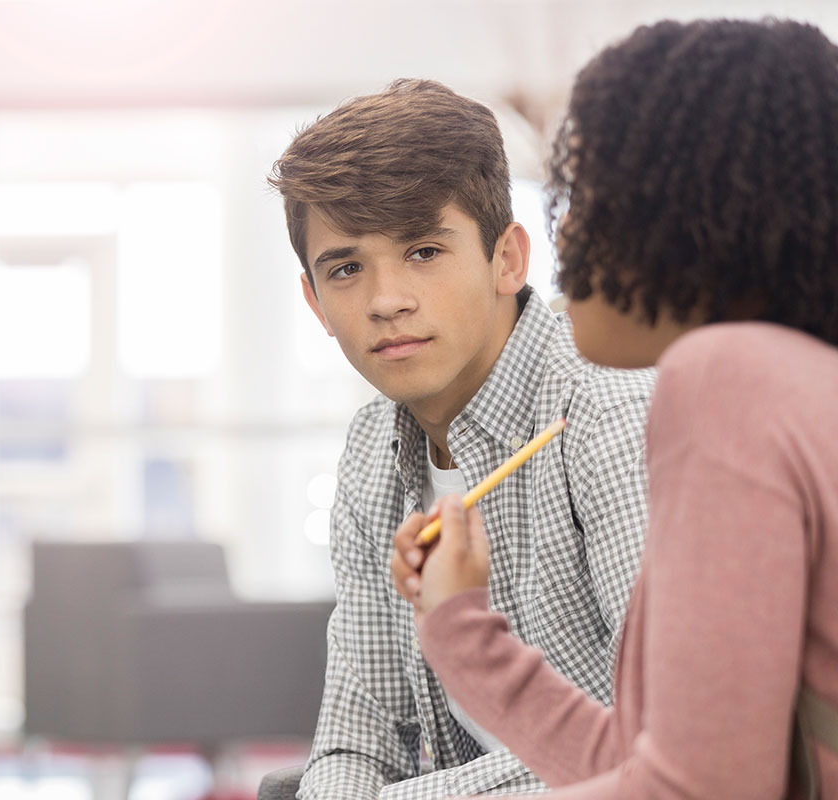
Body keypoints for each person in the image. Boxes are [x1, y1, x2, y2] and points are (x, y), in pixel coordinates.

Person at [398, 17, 838, 798]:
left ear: (686, 211)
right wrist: (460, 625)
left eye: (586, 192)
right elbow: (660, 765)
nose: (563, 230)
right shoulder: (798, 384)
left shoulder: (725, 380)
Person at [267, 79, 657, 798]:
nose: (386, 300)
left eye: (422, 250)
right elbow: (357, 740)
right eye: (346, 268)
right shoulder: (370, 456)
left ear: (507, 258)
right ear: (314, 300)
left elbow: (651, 743)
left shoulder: (608, 413)